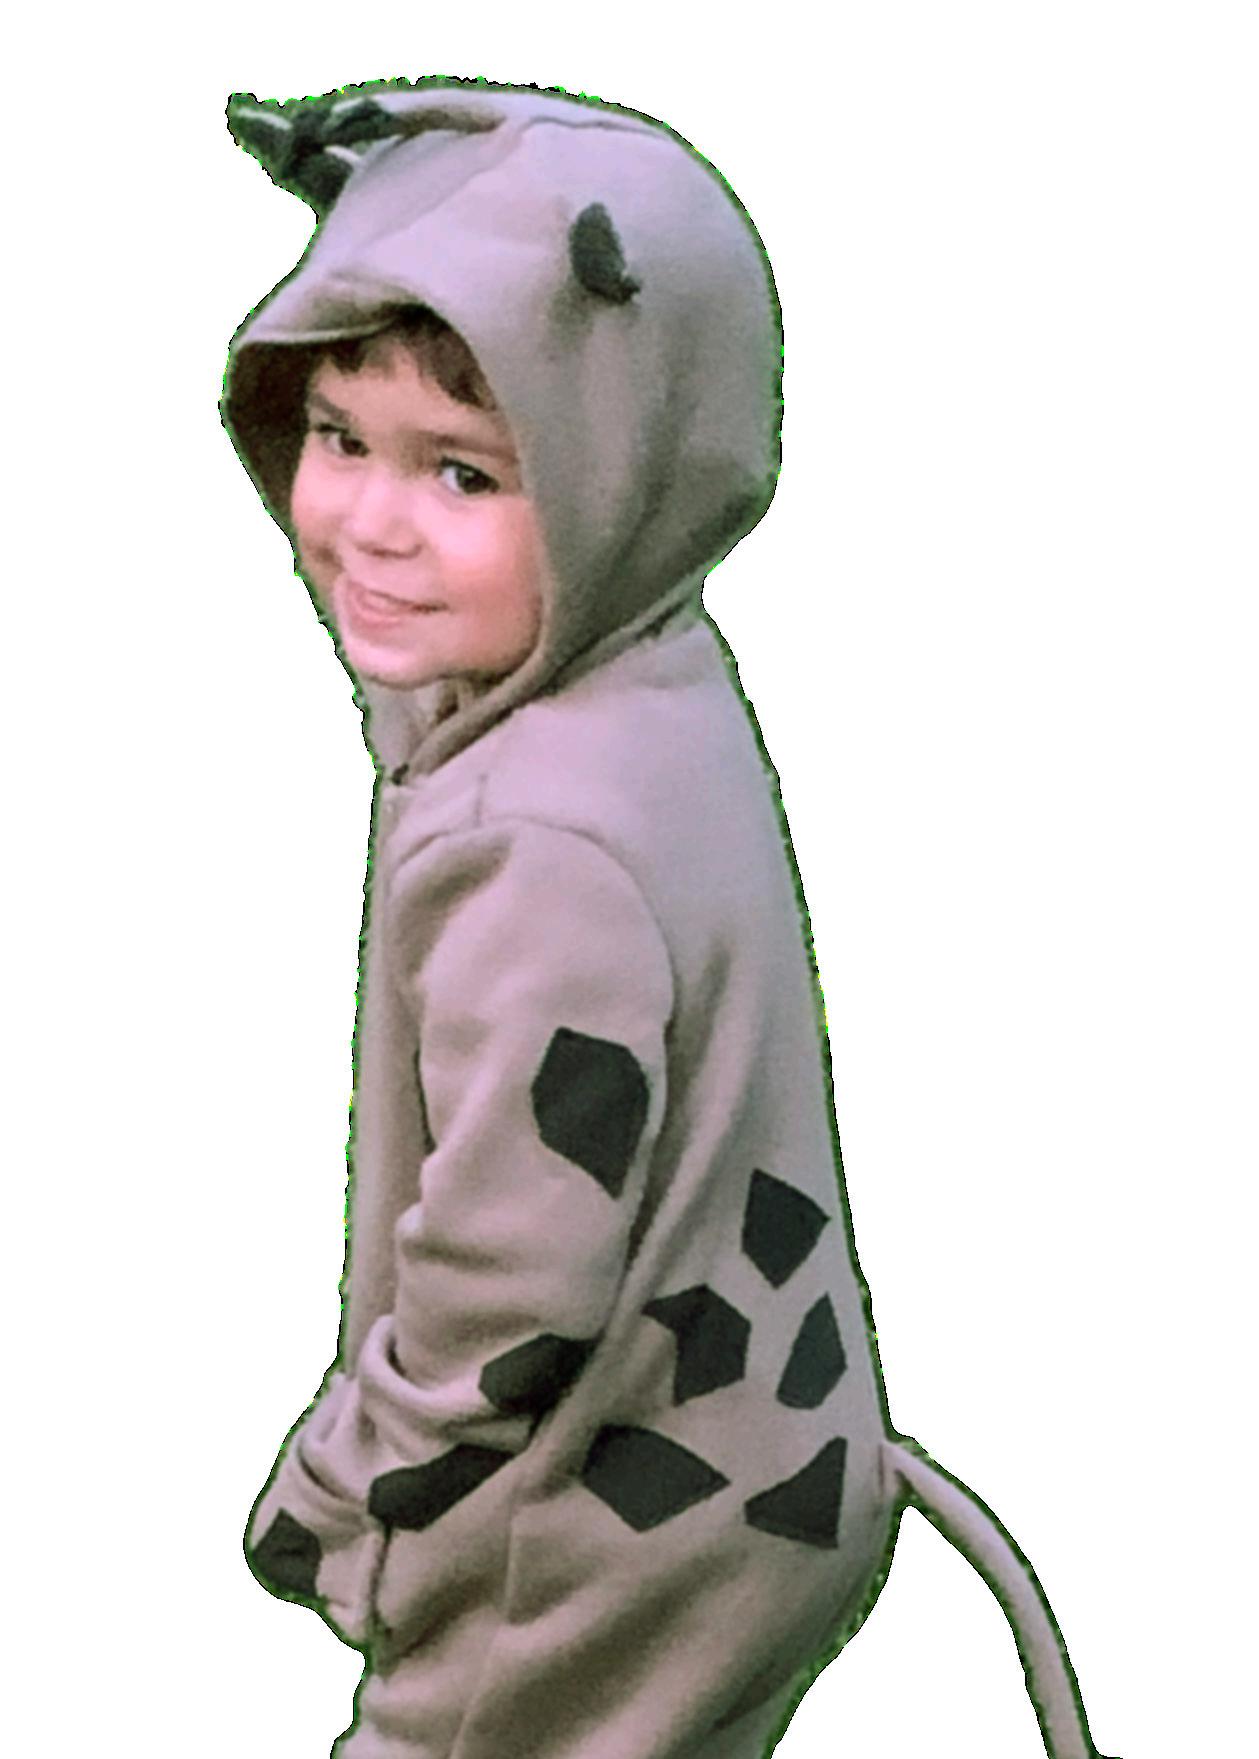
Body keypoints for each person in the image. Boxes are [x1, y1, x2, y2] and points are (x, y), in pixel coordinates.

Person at [223, 80, 1115, 1759]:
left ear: (624, 476)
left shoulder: (531, 838)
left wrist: (349, 1484)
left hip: (596, 1543)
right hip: (769, 1463)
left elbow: (510, 1273)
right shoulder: (645, 677)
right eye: (337, 437)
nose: (368, 524)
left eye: (465, 473)